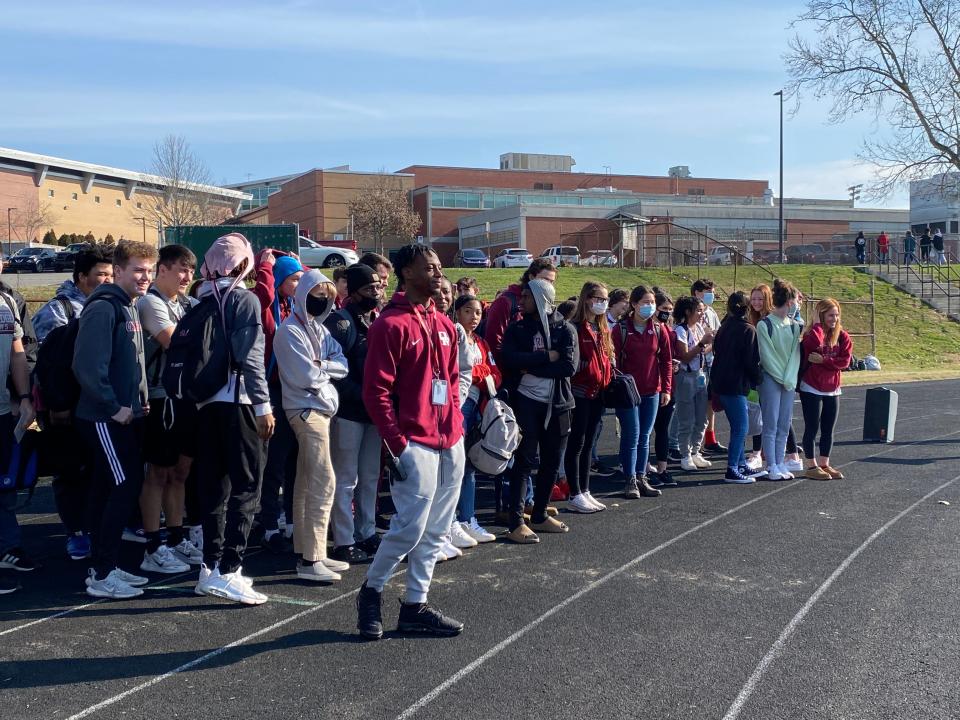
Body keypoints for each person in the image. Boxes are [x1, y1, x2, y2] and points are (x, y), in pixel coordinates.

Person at [357, 244, 465, 640]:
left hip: (449, 440)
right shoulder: (390, 325)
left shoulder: (443, 323)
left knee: (437, 530)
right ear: (406, 273)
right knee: (409, 529)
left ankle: (415, 605)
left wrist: (456, 425)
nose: (439, 274)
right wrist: (398, 443)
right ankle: (371, 590)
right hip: (414, 442)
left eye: (439, 267)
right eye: (430, 268)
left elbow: (452, 382)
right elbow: (376, 392)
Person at [193, 233, 275, 605]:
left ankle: (209, 567)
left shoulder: (201, 299)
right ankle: (231, 568)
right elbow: (251, 357)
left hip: (203, 405)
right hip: (238, 402)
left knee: (213, 486)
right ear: (244, 265)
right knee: (248, 485)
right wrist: (263, 406)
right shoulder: (244, 299)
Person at [73, 240, 155, 599]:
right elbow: (87, 367)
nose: (145, 277)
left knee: (112, 488)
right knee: (125, 486)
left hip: (125, 415)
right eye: (138, 269)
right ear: (118, 270)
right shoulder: (104, 308)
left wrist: (139, 402)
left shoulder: (129, 306)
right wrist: (113, 406)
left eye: (149, 270)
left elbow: (129, 363)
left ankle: (106, 564)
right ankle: (101, 573)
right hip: (104, 419)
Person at [32, 245, 113, 561]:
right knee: (69, 471)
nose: (106, 280)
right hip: (66, 407)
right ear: (81, 277)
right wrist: (57, 403)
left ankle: (96, 527)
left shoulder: (111, 306)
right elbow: (49, 365)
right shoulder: (58, 310)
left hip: (99, 405)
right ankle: (76, 532)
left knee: (99, 470)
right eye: (99, 275)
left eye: (110, 274)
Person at [274, 269, 350, 582]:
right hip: (305, 411)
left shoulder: (319, 331)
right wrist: (323, 372)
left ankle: (308, 552)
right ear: (303, 295)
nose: (322, 302)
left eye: (327, 297)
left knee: (307, 482)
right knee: (324, 480)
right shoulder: (289, 331)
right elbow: (304, 376)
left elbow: (341, 364)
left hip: (319, 409)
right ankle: (312, 557)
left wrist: (322, 367)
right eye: (317, 296)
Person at [137, 245, 202, 575]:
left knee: (181, 471)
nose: (187, 276)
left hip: (186, 397)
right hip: (161, 397)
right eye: (180, 269)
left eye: (190, 270)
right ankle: (152, 544)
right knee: (158, 473)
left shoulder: (187, 304)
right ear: (161, 269)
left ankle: (176, 538)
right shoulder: (150, 302)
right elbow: (174, 342)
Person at [500, 277, 577, 544]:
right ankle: (516, 521)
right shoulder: (517, 329)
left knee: (552, 461)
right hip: (526, 403)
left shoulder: (565, 329)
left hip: (558, 404)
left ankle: (540, 515)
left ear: (542, 298)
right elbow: (508, 359)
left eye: (526, 297)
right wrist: (546, 356)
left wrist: (529, 365)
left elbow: (568, 367)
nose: (520, 302)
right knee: (523, 461)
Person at [324, 264, 384, 564]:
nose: (376, 293)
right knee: (346, 477)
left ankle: (367, 531)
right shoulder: (340, 323)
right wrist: (362, 394)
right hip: (348, 411)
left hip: (373, 412)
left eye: (379, 287)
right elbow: (333, 370)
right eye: (370, 288)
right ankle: (344, 540)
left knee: (370, 476)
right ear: (355, 290)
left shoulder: (376, 318)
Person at [253, 249, 303, 552]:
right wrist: (266, 266)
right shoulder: (269, 306)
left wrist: (298, 263)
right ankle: (269, 524)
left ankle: (291, 521)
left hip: (294, 390)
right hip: (273, 390)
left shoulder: (296, 306)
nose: (299, 284)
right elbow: (262, 294)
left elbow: (316, 286)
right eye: (293, 279)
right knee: (275, 461)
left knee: (296, 461)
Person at [0, 253, 39, 592]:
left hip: (3, 412)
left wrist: (24, 398)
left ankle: (6, 549)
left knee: (4, 487)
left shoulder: (7, 301)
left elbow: (18, 352)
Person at [614, 285, 673, 498]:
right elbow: (615, 361)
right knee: (632, 434)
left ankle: (641, 476)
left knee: (645, 435)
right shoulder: (620, 329)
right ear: (634, 304)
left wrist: (666, 388)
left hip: (652, 390)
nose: (649, 306)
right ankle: (630, 479)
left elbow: (666, 360)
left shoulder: (659, 329)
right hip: (628, 392)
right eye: (645, 302)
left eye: (652, 303)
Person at [450, 294, 499, 545]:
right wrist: (482, 373)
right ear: (457, 312)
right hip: (462, 404)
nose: (474, 317)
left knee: (469, 466)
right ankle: (452, 522)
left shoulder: (481, 342)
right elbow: (458, 370)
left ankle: (468, 518)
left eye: (478, 312)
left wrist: (479, 373)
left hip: (480, 405)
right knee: (455, 466)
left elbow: (495, 374)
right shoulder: (456, 335)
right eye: (468, 311)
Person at [563, 282, 613, 513]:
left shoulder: (600, 327)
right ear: (587, 299)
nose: (602, 303)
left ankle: (585, 489)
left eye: (605, 299)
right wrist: (584, 369)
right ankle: (574, 493)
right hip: (580, 392)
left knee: (589, 443)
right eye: (598, 298)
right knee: (577, 443)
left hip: (598, 391)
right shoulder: (575, 327)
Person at [709, 292, 764, 483]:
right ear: (747, 308)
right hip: (736, 384)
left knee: (738, 425)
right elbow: (751, 361)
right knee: (741, 426)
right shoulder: (748, 330)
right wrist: (757, 379)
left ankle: (740, 463)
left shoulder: (725, 327)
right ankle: (732, 467)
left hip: (721, 382)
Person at [798, 298, 853, 481]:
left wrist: (824, 361)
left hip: (833, 388)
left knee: (828, 428)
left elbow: (844, 362)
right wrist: (816, 323)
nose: (835, 319)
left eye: (837, 315)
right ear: (821, 315)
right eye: (830, 315)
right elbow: (813, 343)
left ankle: (824, 463)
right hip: (811, 387)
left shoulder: (842, 336)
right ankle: (811, 465)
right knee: (812, 427)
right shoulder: (813, 333)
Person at [756, 279, 802, 481]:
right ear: (790, 302)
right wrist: (782, 377)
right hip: (771, 379)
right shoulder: (764, 324)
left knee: (784, 423)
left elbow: (795, 356)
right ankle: (771, 464)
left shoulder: (794, 326)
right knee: (770, 423)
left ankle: (780, 461)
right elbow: (766, 355)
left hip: (788, 381)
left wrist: (789, 378)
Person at [482, 258, 557, 364]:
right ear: (531, 277)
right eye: (545, 280)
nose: (549, 285)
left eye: (552, 282)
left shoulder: (546, 304)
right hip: (509, 373)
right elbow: (494, 343)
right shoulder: (505, 302)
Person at [673, 296, 714, 473]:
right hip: (686, 376)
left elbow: (703, 350)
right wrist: (702, 343)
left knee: (701, 418)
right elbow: (684, 356)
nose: (701, 314)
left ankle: (696, 451)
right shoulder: (680, 330)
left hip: (700, 375)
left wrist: (709, 342)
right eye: (698, 310)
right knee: (686, 419)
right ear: (688, 311)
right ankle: (685, 454)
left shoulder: (698, 327)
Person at [648, 289, 679, 487]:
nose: (666, 312)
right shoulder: (652, 328)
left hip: (667, 385)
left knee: (662, 429)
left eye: (670, 309)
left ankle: (662, 468)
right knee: (645, 431)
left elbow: (668, 358)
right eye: (663, 309)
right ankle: (642, 468)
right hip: (651, 385)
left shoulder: (667, 328)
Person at [691, 279, 726, 455]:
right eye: (707, 291)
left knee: (710, 401)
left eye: (712, 291)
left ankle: (709, 438)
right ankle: (689, 441)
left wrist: (710, 346)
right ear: (697, 293)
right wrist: (703, 347)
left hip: (710, 362)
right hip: (694, 363)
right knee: (693, 403)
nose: (711, 294)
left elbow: (717, 335)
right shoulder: (690, 313)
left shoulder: (711, 312)